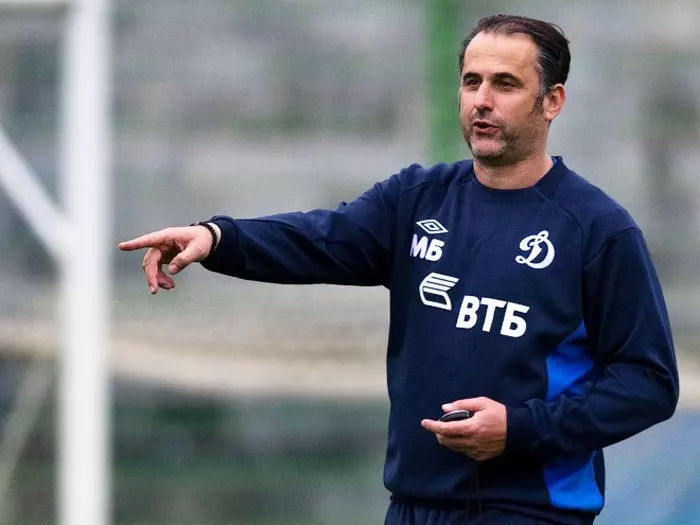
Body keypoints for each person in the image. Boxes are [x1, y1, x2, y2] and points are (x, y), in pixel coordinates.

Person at [119, 14, 679, 525]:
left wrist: (521, 428)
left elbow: (648, 384)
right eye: (471, 82)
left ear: (551, 101)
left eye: (505, 84)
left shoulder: (597, 230)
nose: (482, 100)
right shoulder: (417, 199)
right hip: (413, 506)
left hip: (528, 512)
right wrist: (217, 238)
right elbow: (320, 237)